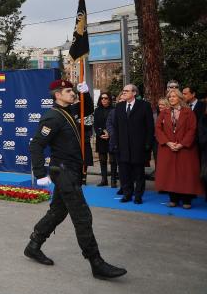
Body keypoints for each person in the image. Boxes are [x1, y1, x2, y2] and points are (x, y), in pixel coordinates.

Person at [24, 79, 126, 280]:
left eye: (73, 91)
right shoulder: (52, 117)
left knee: (57, 212)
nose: (72, 94)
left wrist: (85, 92)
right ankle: (96, 263)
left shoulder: (68, 111)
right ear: (57, 95)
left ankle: (33, 245)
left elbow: (86, 108)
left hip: (72, 170)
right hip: (63, 171)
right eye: (69, 91)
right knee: (82, 216)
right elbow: (36, 145)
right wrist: (40, 173)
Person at [155, 88, 201, 208]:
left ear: (180, 98)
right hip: (168, 148)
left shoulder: (188, 112)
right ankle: (173, 199)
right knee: (170, 174)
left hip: (185, 149)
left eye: (174, 96)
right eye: (170, 97)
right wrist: (168, 143)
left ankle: (186, 200)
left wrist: (182, 144)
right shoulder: (164, 112)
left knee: (185, 174)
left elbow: (192, 129)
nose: (171, 98)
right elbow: (158, 129)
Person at [113, 84, 155, 204]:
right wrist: (116, 143)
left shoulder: (144, 106)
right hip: (123, 147)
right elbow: (116, 127)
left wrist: (148, 144)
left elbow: (150, 127)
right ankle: (127, 194)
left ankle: (138, 195)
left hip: (139, 146)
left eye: (126, 91)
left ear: (134, 93)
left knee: (138, 173)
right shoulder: (119, 106)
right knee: (124, 173)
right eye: (123, 91)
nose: (123, 93)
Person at [93, 93, 114, 186]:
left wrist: (110, 133)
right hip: (101, 138)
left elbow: (116, 124)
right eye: (102, 98)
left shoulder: (114, 110)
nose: (104, 100)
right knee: (102, 160)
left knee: (113, 160)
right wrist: (100, 134)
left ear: (109, 99)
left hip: (112, 138)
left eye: (106, 98)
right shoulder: (97, 110)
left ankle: (113, 181)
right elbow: (96, 125)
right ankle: (104, 180)